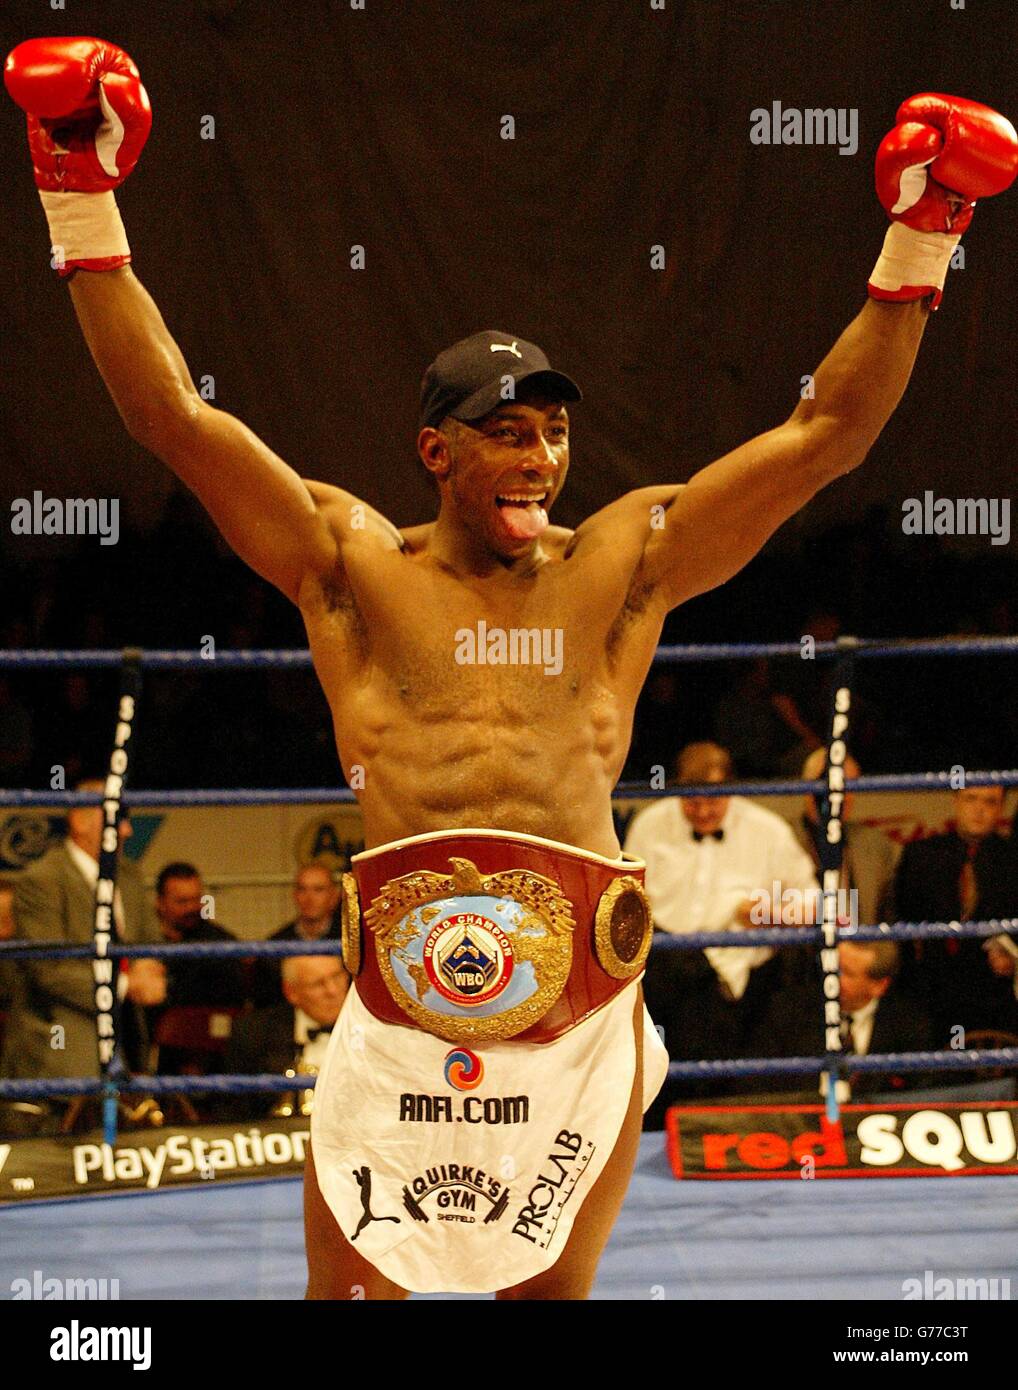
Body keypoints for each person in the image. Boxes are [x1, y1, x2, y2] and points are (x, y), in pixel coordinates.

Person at [8, 36, 1017, 1298]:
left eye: (551, 431)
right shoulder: (349, 566)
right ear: (434, 451)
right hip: (399, 1019)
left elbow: (824, 436)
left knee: (547, 1301)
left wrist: (922, 236)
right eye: (504, 433)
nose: (539, 456)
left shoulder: (625, 563)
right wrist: (76, 190)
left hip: (580, 1017)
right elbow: (176, 421)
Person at [625, 742, 818, 1119]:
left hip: (744, 974)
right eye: (691, 802)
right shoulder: (651, 824)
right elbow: (627, 898)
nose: (702, 812)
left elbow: (813, 901)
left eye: (712, 801)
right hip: (667, 968)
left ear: (731, 789)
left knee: (731, 1078)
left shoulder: (767, 830)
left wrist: (768, 913)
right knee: (660, 1071)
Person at [0, 779, 165, 1133]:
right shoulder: (41, 880)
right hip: (61, 1055)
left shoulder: (130, 875)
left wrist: (151, 969)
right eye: (118, 818)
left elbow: (151, 942)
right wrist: (126, 985)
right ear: (81, 820)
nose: (127, 830)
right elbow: (50, 970)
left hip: (129, 1046)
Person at [894, 785, 1017, 1038]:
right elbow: (899, 918)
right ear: (955, 801)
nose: (979, 809)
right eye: (971, 799)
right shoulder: (922, 854)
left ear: (1001, 808)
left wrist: (1012, 950)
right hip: (930, 989)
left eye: (990, 802)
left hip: (995, 993)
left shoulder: (1012, 859)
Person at [751, 940, 936, 1096]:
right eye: (833, 966)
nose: (832, 977)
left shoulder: (908, 1024)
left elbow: (920, 1091)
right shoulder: (788, 1009)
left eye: (847, 973)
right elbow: (754, 1084)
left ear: (879, 986)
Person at [222, 955, 349, 1121]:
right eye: (317, 983)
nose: (332, 990)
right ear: (291, 992)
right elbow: (234, 1109)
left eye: (337, 977)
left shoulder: (377, 1026)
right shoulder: (254, 1032)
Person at [796, 747, 900, 928]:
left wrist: (872, 955)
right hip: (802, 951)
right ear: (806, 786)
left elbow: (892, 924)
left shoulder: (876, 846)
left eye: (847, 786)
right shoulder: (782, 839)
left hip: (862, 948)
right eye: (827, 783)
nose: (837, 795)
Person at [250, 863, 343, 1008]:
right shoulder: (273, 946)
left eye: (318, 890)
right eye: (302, 889)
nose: (309, 897)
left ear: (335, 896)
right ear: (294, 895)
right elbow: (263, 1006)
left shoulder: (352, 942)